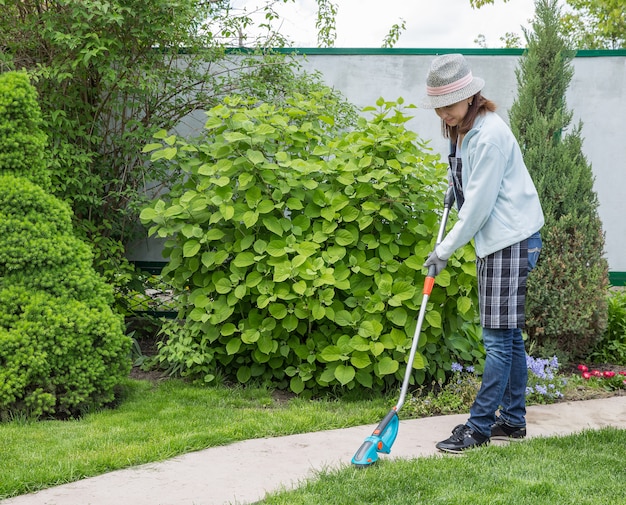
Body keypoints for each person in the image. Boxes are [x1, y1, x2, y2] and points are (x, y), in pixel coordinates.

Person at [421, 53, 545, 453]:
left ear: (471, 96)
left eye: (450, 104)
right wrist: (456, 185)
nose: (444, 112)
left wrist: (443, 250)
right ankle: (513, 421)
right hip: (503, 238)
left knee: (496, 339)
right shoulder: (463, 128)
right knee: (508, 338)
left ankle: (478, 428)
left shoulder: (488, 136)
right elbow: (470, 185)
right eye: (439, 106)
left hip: (509, 240)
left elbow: (478, 208)